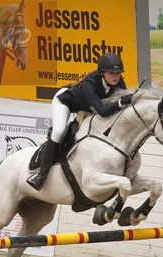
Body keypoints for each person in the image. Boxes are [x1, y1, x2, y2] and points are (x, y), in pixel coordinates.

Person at [27, 53, 133, 191]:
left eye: (118, 73)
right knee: (59, 132)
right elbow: (101, 110)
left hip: (86, 108)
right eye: (111, 73)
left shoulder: (119, 82)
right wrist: (120, 102)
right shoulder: (90, 82)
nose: (115, 76)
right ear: (102, 73)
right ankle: (41, 174)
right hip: (65, 102)